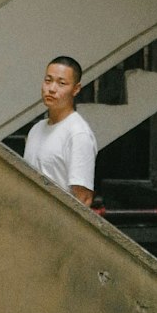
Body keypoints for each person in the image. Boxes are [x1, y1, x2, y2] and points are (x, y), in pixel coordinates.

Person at [23, 55, 97, 206]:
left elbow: (83, 199)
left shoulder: (78, 133)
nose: (51, 89)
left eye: (61, 83)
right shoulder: (36, 129)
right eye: (48, 80)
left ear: (76, 89)